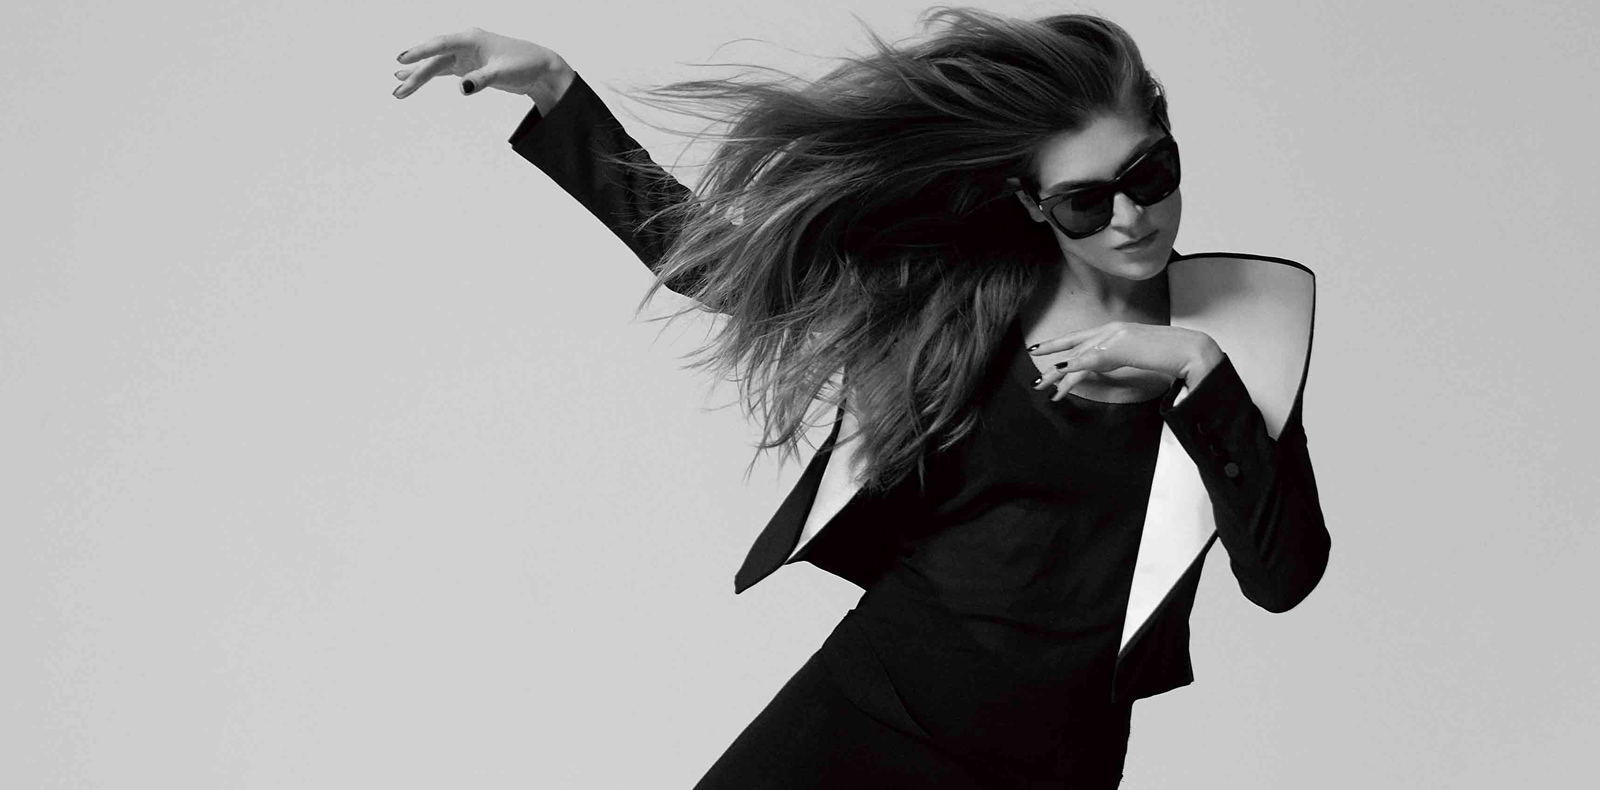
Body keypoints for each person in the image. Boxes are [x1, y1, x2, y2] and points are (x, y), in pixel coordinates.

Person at [392, 8, 1330, 788]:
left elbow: (1283, 577)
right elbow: (724, 264)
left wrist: (1198, 371)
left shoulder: (1242, 342)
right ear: (1032, 202)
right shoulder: (967, 288)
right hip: (875, 701)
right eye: (1086, 202)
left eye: (1151, 175)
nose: (1131, 217)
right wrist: (558, 91)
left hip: (1057, 765)